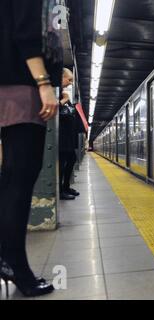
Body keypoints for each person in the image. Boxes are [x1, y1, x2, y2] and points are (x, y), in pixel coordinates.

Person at [0, 0, 63, 297]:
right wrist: (43, 81)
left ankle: (8, 257)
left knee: (12, 176)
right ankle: (14, 264)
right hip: (19, 87)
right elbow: (25, 30)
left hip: (12, 82)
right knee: (20, 176)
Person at [59, 68, 80, 200]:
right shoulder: (53, 91)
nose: (71, 83)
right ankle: (60, 190)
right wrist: (64, 100)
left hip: (67, 138)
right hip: (60, 138)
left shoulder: (61, 93)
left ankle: (66, 186)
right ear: (61, 77)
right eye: (69, 79)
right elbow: (53, 110)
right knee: (61, 164)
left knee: (72, 159)